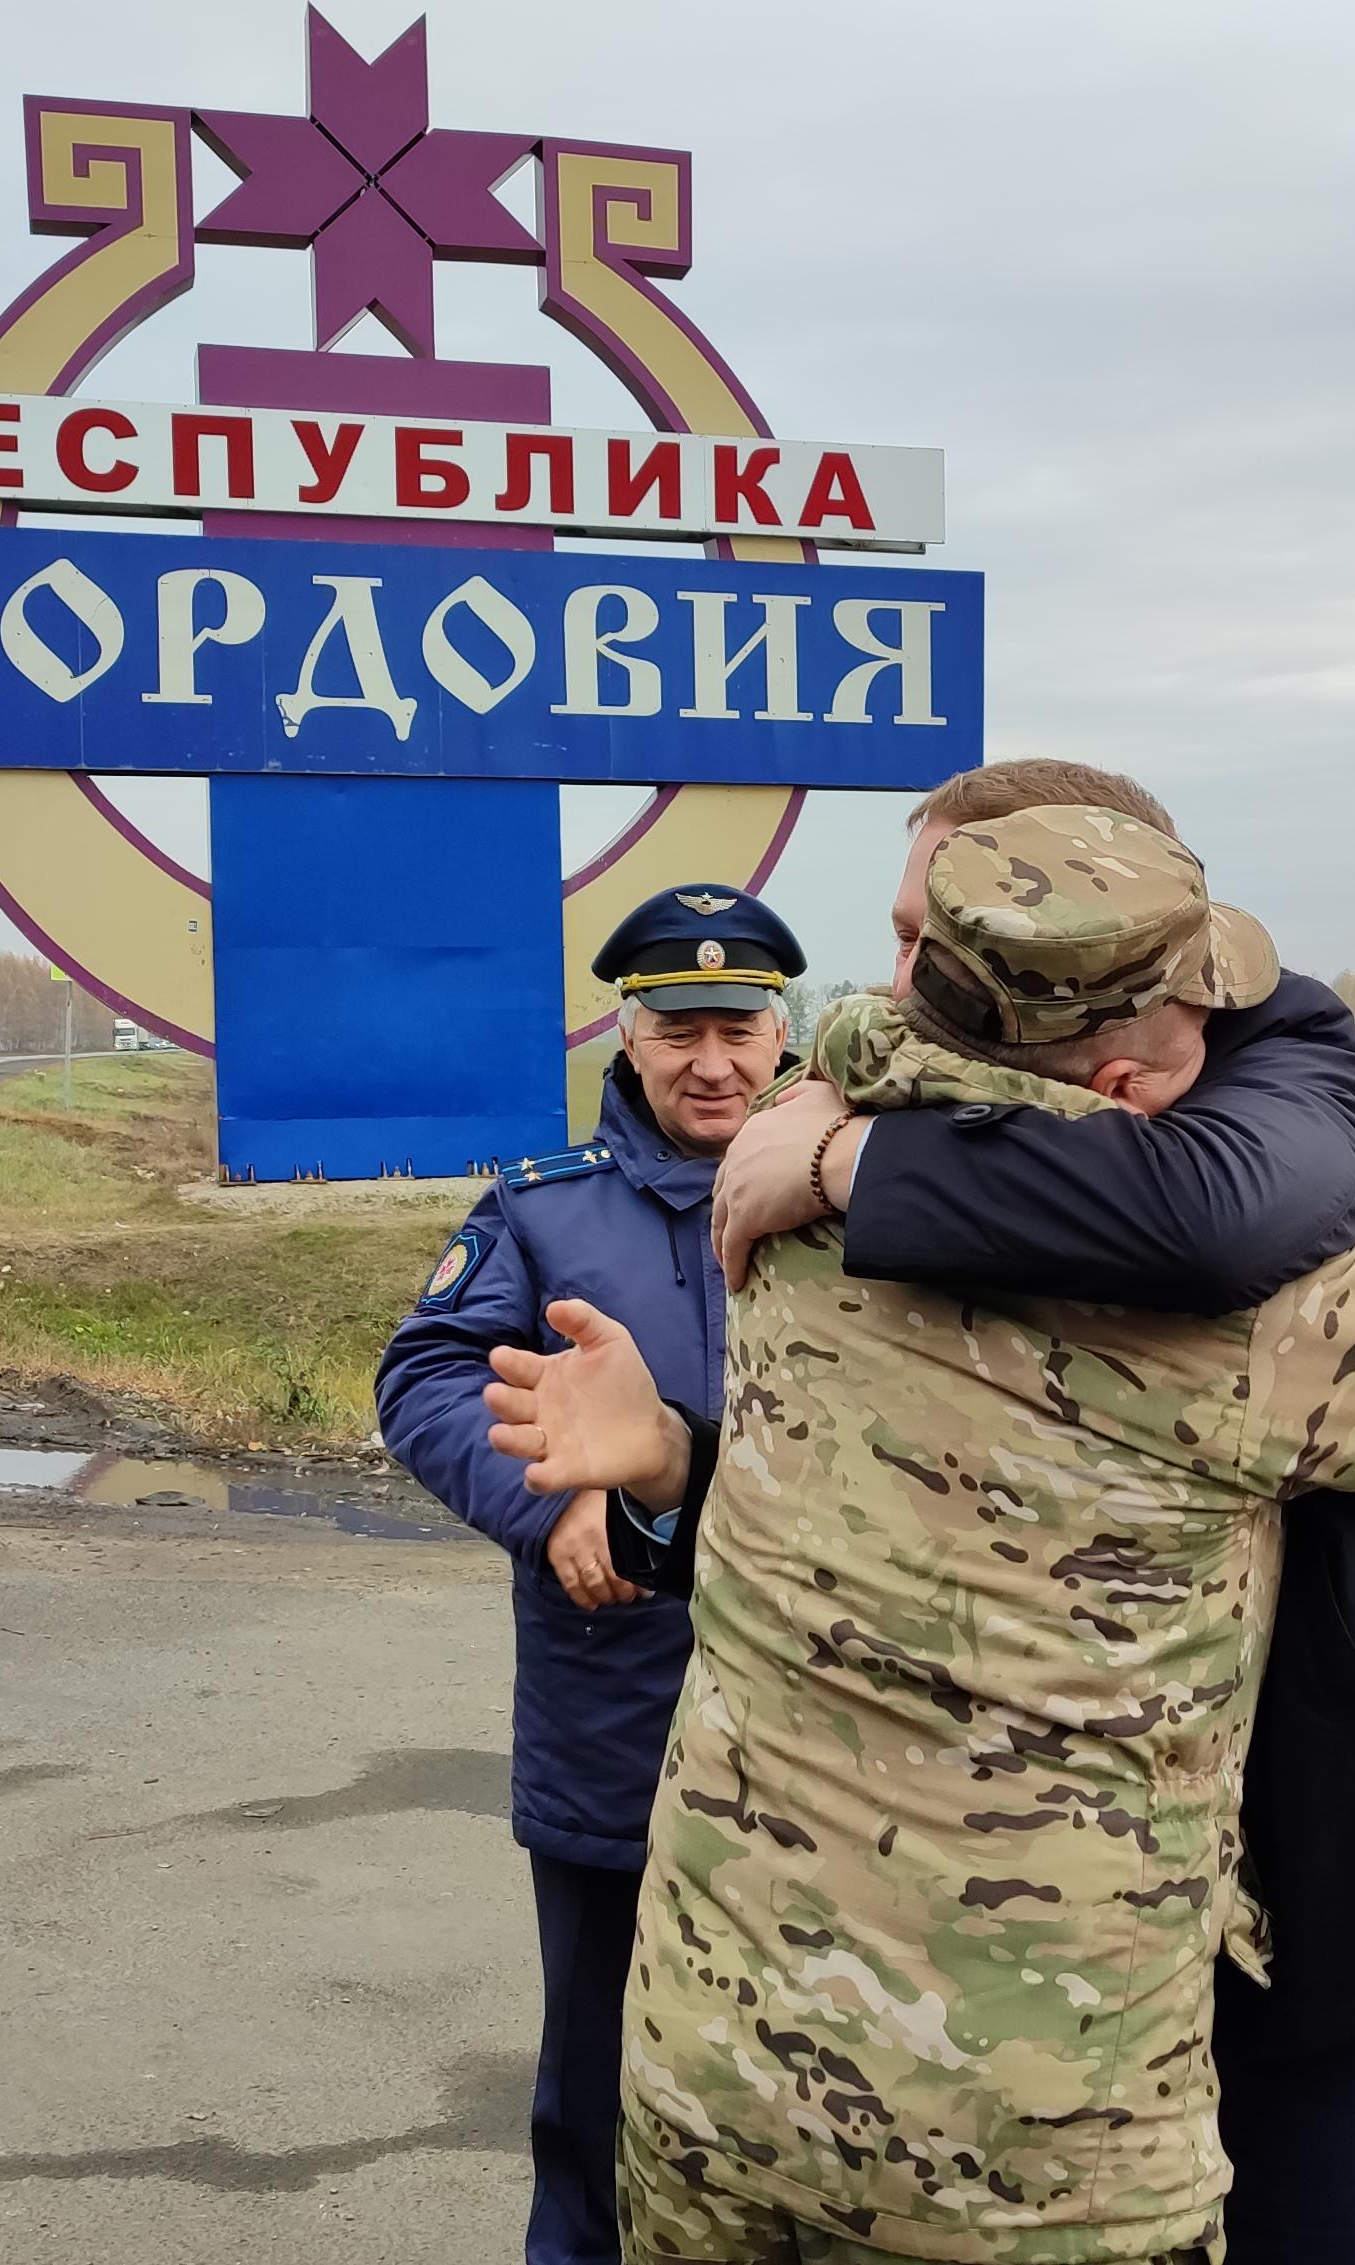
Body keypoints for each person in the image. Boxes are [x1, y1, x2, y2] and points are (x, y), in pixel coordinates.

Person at [487, 804, 1355, 2265]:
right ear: (1131, 1074)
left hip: (720, 2087)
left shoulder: (779, 1208)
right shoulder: (1247, 1325)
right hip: (1034, 2152)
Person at [371, 881, 804, 2265]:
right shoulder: (546, 1211)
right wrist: (544, 1498)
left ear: (784, 1030)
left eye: (738, 1025)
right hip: (622, 1732)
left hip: (838, 1747)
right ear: (629, 1034)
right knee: (603, 2112)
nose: (712, 1062)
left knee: (826, 2115)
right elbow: (424, 1371)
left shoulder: (863, 1202)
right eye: (679, 1029)